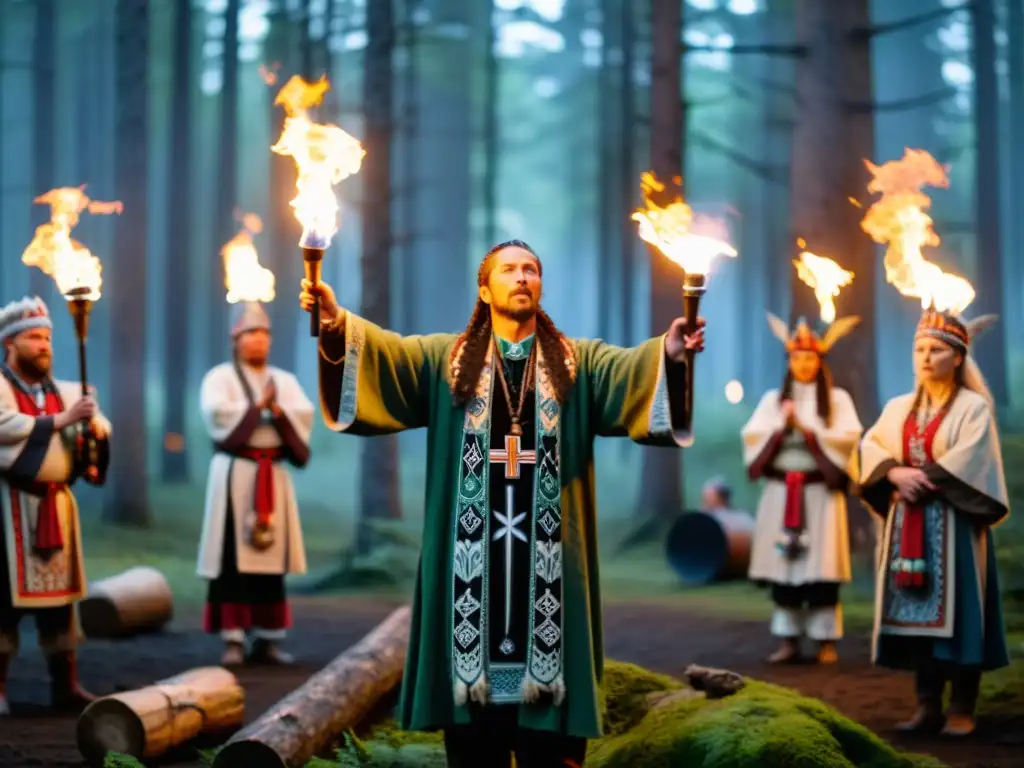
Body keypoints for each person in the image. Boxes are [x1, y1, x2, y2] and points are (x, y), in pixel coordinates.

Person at [300, 239, 705, 768]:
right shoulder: (446, 360)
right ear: (484, 288)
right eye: (509, 270)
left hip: (551, 575)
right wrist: (334, 321)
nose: (522, 278)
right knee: (476, 746)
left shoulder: (577, 363)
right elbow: (386, 357)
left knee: (550, 751)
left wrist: (671, 351)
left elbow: (633, 371)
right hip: (468, 576)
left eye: (531, 270)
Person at [851, 307, 1009, 737]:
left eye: (936, 349)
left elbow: (975, 459)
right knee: (914, 616)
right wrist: (893, 473)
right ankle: (926, 705)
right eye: (920, 348)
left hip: (954, 526)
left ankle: (961, 706)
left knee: (959, 615)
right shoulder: (898, 407)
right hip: (907, 528)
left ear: (957, 357)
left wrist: (921, 477)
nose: (925, 357)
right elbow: (871, 447)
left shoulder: (973, 407)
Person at [0, 296, 110, 715]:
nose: (44, 345)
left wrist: (92, 423)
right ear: (10, 343)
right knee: (4, 602)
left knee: (61, 604)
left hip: (57, 506)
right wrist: (63, 420)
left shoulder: (67, 389)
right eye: (33, 337)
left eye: (47, 337)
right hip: (10, 505)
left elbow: (98, 430)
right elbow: (4, 426)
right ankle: (0, 687)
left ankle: (66, 686)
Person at [197, 301, 314, 666]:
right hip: (236, 475)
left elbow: (300, 437)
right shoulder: (220, 378)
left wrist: (274, 412)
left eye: (264, 333)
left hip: (272, 477)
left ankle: (267, 637)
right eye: (250, 333)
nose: (259, 340)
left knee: (270, 558)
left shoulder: (285, 382)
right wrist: (259, 411)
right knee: (233, 555)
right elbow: (222, 426)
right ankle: (233, 638)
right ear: (235, 338)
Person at [741, 312, 862, 665]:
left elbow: (847, 440)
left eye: (810, 357)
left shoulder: (837, 400)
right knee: (785, 567)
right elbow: (753, 442)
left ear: (820, 360)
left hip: (820, 494)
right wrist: (782, 427)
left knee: (821, 567)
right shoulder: (771, 401)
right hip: (781, 494)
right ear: (789, 360)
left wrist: (808, 430)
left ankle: (826, 641)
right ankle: (788, 639)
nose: (804, 364)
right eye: (797, 357)